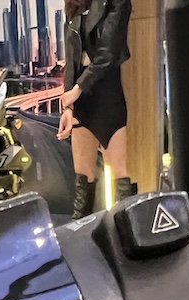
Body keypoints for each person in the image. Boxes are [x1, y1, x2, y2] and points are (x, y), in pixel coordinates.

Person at [58, 0, 135, 220]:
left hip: (106, 95)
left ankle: (126, 231)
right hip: (81, 99)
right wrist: (68, 107)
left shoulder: (117, 3)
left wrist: (77, 89)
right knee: (82, 181)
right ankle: (79, 234)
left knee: (119, 177)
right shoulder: (74, 5)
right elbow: (72, 60)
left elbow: (107, 54)